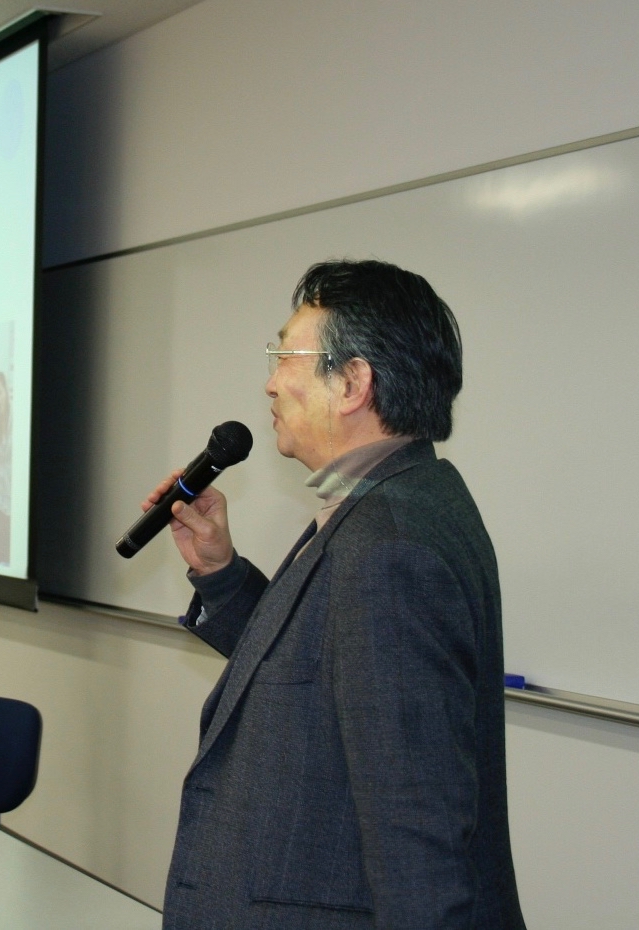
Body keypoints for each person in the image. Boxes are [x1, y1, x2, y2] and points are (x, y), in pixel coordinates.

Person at [148, 260, 525, 929]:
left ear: (352, 383)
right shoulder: (390, 502)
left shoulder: (392, 545)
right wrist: (221, 570)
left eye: (284, 357)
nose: (270, 382)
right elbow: (314, 666)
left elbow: (417, 838)